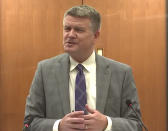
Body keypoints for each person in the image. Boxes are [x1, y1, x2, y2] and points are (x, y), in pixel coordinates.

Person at [23, 5, 142, 131]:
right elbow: (28, 124)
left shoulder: (121, 73)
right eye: (67, 28)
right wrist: (58, 126)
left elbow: (136, 125)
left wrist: (107, 124)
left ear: (95, 36)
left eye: (78, 30)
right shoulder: (45, 70)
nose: (70, 34)